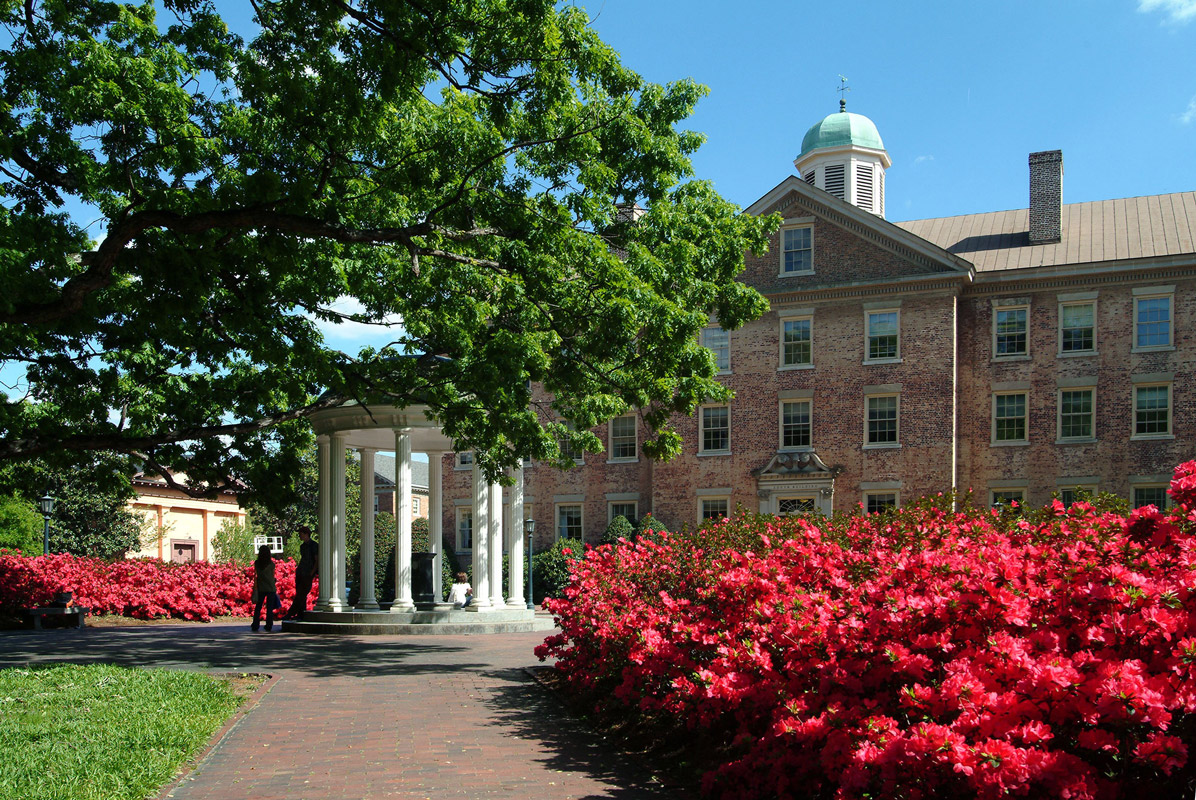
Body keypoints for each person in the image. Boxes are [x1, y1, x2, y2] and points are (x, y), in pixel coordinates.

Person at [285, 526, 318, 620]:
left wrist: (311, 573)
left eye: (301, 533)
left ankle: (290, 613)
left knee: (301, 594)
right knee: (300, 594)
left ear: (306, 534)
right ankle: (300, 614)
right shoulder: (302, 546)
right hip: (300, 572)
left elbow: (316, 560)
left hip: (307, 573)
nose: (299, 535)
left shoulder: (314, 545)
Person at [251, 544, 280, 632]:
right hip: (270, 588)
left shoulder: (257, 563)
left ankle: (255, 624)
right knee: (269, 608)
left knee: (258, 607)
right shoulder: (271, 564)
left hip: (261, 588)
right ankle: (269, 625)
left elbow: (256, 575)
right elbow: (272, 575)